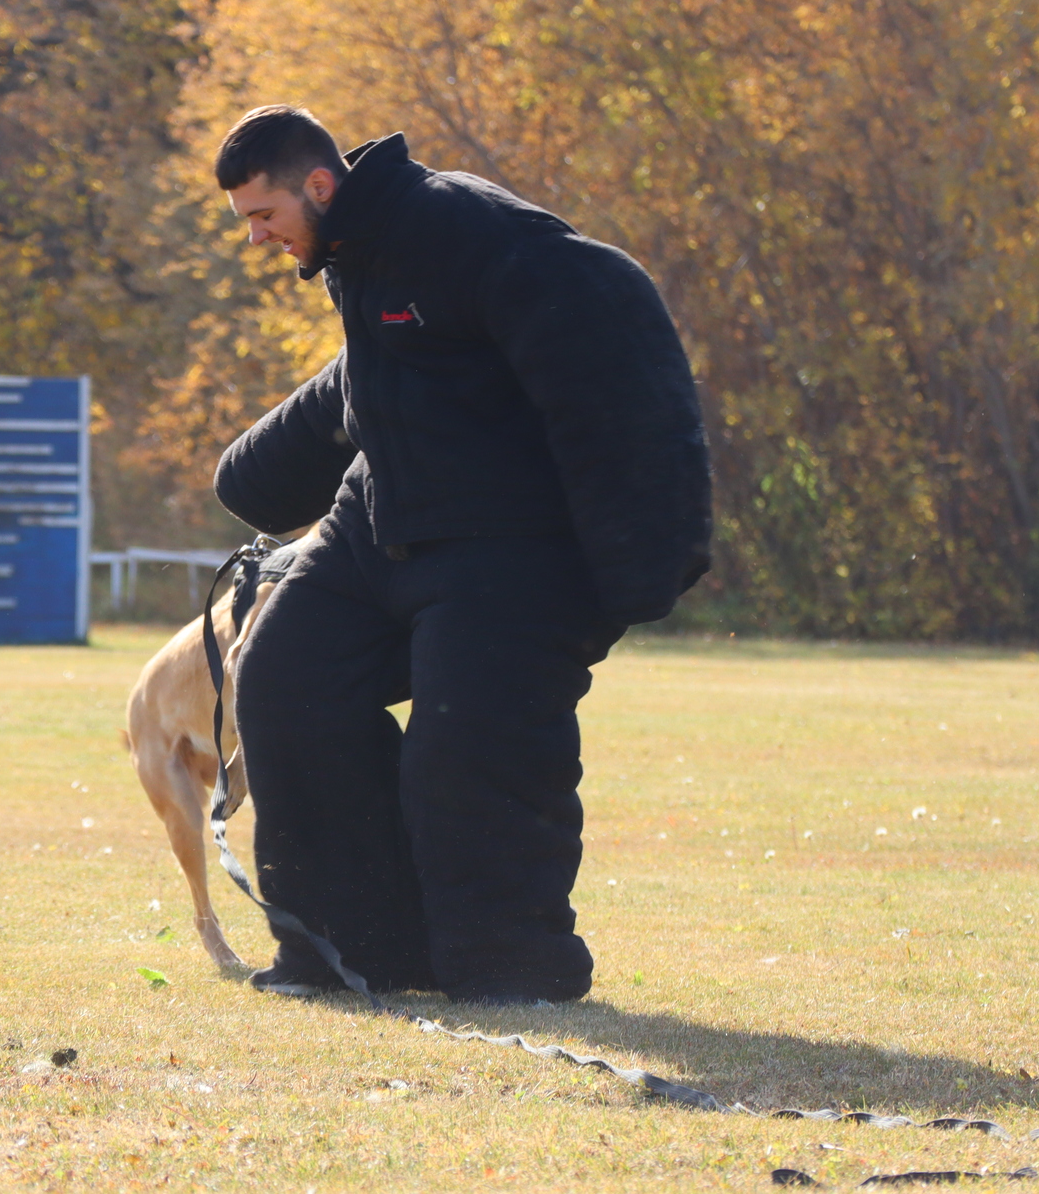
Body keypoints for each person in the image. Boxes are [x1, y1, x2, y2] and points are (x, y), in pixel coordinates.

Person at [212, 105, 711, 1003]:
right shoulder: (357, 256)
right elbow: (376, 377)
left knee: (468, 750)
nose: (258, 238)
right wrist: (255, 474)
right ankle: (349, 952)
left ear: (319, 186)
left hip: (508, 543)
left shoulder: (469, 229)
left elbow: (610, 320)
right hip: (383, 521)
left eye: (263, 216)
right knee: (285, 684)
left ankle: (508, 965)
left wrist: (647, 553)